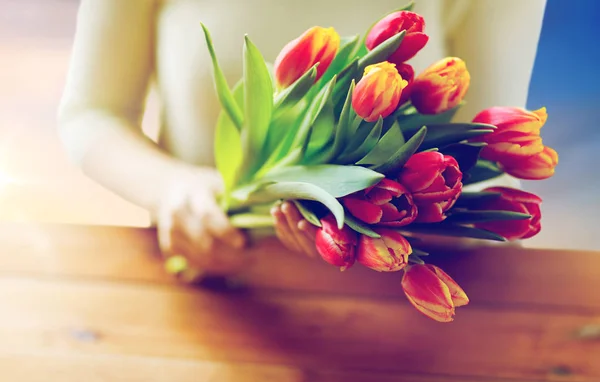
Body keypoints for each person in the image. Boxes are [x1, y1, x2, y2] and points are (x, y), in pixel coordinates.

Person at [57, 0, 547, 279]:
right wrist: (171, 189)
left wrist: (382, 228)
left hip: (393, 305)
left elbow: (486, 160)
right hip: (209, 286)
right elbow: (92, 112)